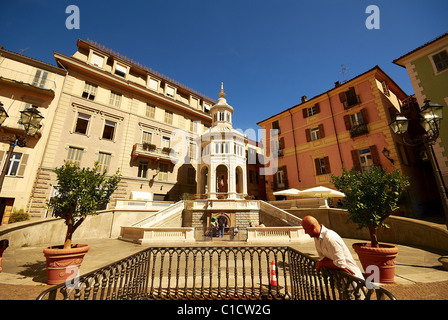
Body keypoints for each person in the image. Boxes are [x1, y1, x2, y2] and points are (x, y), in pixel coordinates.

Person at [301, 215, 364, 279]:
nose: (305, 232)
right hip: (341, 280)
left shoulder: (330, 237)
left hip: (354, 280)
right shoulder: (317, 237)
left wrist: (321, 264)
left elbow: (340, 264)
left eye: (306, 229)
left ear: (312, 227)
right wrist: (325, 263)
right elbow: (324, 258)